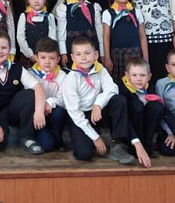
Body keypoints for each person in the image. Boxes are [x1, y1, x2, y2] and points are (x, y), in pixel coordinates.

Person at [62, 38, 149, 167]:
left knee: (118, 100)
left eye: (87, 53)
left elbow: (112, 88)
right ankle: (93, 135)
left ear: (96, 55)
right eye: (78, 54)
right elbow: (74, 112)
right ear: (73, 58)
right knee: (84, 154)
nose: (83, 58)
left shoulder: (100, 70)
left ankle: (117, 145)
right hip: (80, 116)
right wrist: (95, 138)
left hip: (97, 112)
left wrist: (98, 104)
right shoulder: (70, 79)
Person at [0, 30, 47, 154]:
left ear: (9, 49)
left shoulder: (16, 67)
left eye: (4, 48)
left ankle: (27, 137)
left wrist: (39, 112)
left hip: (11, 111)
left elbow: (38, 87)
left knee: (29, 94)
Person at [119, 58, 175, 159]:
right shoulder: (122, 90)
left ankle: (147, 145)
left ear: (149, 76)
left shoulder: (150, 88)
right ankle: (134, 147)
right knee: (137, 106)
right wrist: (135, 142)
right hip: (129, 129)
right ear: (127, 75)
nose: (139, 79)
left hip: (145, 126)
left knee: (157, 106)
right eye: (134, 75)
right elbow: (124, 118)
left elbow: (164, 111)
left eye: (142, 75)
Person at [102, 0, 148, 81]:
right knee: (119, 82)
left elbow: (142, 36)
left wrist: (145, 57)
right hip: (117, 55)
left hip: (135, 54)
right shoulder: (108, 13)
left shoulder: (136, 12)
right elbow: (106, 36)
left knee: (136, 80)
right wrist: (107, 57)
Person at [53, 0, 103, 66]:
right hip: (72, 48)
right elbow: (61, 32)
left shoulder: (94, 7)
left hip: (91, 47)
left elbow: (100, 31)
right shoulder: (63, 8)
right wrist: (63, 52)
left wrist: (102, 53)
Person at [28, 39, 68, 152]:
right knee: (48, 146)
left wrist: (50, 102)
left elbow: (64, 99)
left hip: (53, 113)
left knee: (59, 112)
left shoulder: (63, 76)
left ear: (58, 59)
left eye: (52, 58)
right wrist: (40, 107)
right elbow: (28, 99)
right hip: (37, 114)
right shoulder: (30, 74)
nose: (47, 62)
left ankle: (59, 138)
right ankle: (39, 134)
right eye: (43, 57)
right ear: (36, 58)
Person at [16, 0, 57, 65]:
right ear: (28, 0)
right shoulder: (23, 16)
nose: (36, 1)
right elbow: (20, 37)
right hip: (28, 56)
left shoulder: (50, 16)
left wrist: (46, 54)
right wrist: (30, 55)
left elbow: (52, 38)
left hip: (46, 56)